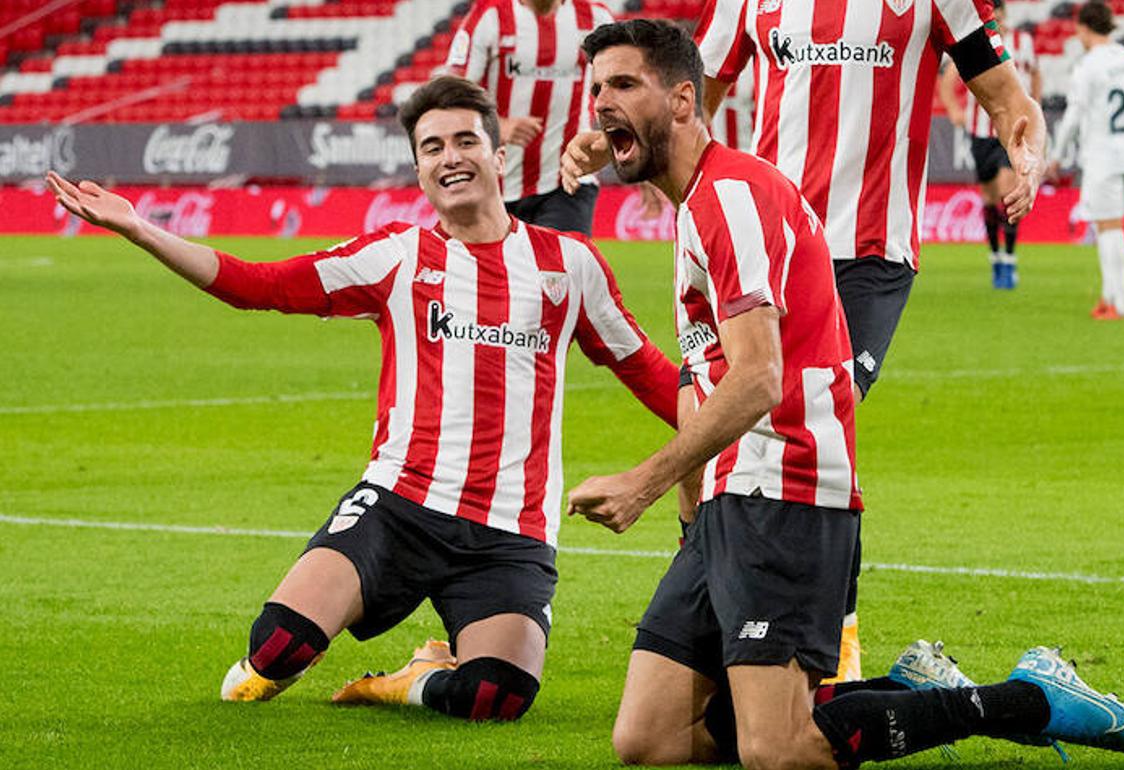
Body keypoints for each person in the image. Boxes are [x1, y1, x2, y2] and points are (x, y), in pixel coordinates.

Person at [565, 19, 1124, 769]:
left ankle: (1031, 699)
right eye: (596, 89)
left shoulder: (735, 199)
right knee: (647, 739)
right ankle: (904, 688)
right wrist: (693, 510)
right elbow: (708, 368)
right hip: (731, 497)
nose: (601, 104)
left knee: (777, 752)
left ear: (685, 100)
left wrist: (642, 483)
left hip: (785, 493)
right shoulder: (700, 205)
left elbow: (759, 378)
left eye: (623, 85)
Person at [44, 75, 679, 721]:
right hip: (400, 508)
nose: (450, 157)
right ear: (419, 168)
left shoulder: (568, 264)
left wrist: (735, 427)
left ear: (498, 156)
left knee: (497, 696)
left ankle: (407, 680)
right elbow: (255, 284)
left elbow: (649, 370)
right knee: (277, 652)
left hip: (510, 530)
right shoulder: (394, 257)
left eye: (466, 141)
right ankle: (289, 654)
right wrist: (141, 229)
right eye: (432, 148)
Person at [564, 0, 1050, 686]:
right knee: (700, 422)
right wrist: (620, 136)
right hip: (758, 230)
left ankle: (832, 645)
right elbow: (691, 89)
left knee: (813, 409)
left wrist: (1024, 148)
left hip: (867, 251)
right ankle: (712, 631)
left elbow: (1002, 92)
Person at [441, 0, 614, 236]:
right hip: (495, 187)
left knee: (560, 270)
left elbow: (622, 90)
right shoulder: (489, 17)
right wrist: (497, 125)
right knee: (494, 272)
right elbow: (449, 96)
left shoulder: (596, 18)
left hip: (568, 181)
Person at [1050, 1, 1124, 320]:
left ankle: (1122, 303)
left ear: (1085, 28)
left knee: (1110, 228)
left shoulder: (1088, 66)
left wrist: (1057, 155)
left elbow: (1073, 116)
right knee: (1110, 225)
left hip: (1102, 154)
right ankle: (1109, 295)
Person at [938, 0, 1042, 289]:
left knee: (1007, 192)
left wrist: (1033, 105)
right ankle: (995, 255)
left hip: (1010, 132)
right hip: (980, 130)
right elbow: (947, 82)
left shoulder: (1023, 41)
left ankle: (1009, 260)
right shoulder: (975, 38)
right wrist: (954, 110)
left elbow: (1036, 74)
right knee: (988, 196)